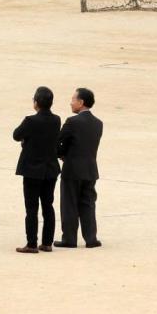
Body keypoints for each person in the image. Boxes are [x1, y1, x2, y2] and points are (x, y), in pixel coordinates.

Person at [13, 86, 61, 254]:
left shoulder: (30, 121)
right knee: (48, 205)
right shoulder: (57, 120)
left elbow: (16, 135)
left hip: (32, 170)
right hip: (50, 169)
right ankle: (47, 243)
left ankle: (32, 243)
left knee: (31, 208)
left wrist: (26, 140)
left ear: (36, 103)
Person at [55, 88, 103, 249]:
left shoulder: (72, 122)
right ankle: (91, 238)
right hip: (90, 170)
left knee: (69, 204)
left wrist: (62, 154)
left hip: (72, 170)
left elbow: (58, 141)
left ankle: (69, 238)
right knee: (88, 204)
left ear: (81, 102)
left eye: (73, 99)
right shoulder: (98, 123)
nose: (71, 102)